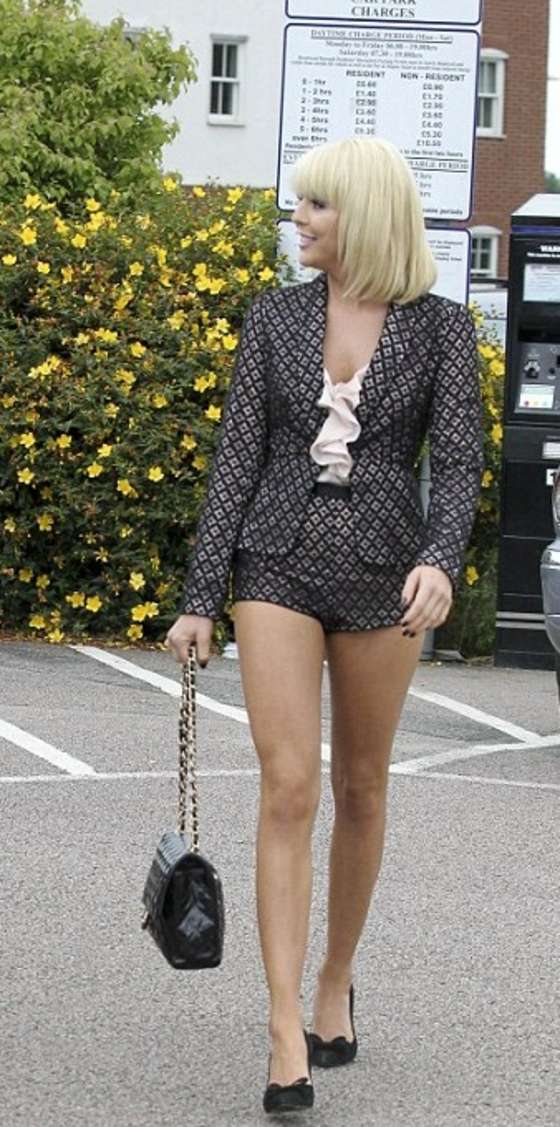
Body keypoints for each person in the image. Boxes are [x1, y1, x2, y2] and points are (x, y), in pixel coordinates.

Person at [166, 136, 484, 1114]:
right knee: (290, 785)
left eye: (317, 204)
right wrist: (199, 595)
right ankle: (281, 1031)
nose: (297, 218)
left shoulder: (441, 329)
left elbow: (458, 462)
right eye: (299, 202)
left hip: (387, 576)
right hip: (275, 563)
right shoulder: (273, 317)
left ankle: (333, 983)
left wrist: (439, 558)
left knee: (361, 786)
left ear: (366, 215)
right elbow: (235, 460)